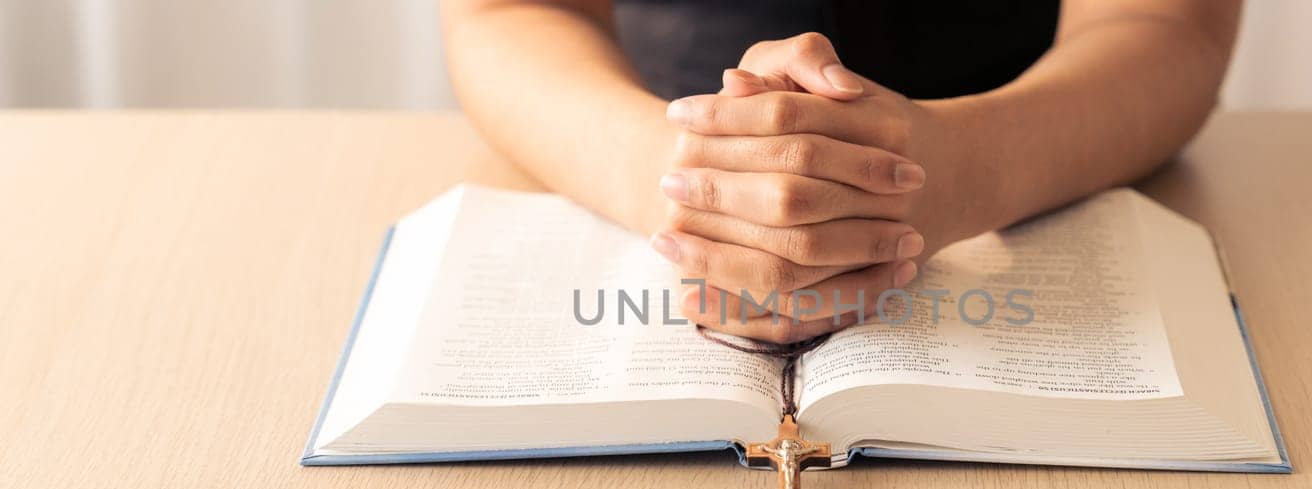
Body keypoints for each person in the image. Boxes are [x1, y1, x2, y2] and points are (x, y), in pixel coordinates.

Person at [442, 0, 1241, 342]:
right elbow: (506, 13)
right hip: (632, 119)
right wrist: (681, 177)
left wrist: (960, 169)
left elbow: (1162, 25)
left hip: (1039, 144)